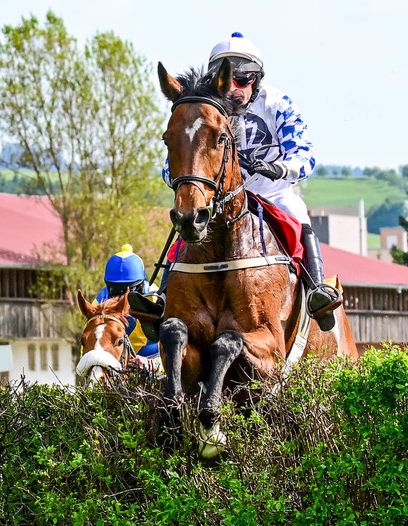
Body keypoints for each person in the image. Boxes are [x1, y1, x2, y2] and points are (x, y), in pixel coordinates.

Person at [163, 32, 341, 331]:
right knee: (187, 221)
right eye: (227, 79)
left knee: (297, 211)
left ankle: (317, 289)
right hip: (224, 198)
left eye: (243, 80)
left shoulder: (278, 103)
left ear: (256, 79)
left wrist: (278, 168)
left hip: (272, 194)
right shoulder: (205, 108)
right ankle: (162, 294)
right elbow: (177, 160)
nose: (234, 88)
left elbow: (305, 155)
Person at [95, 245, 164, 374]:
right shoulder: (99, 303)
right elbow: (87, 346)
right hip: (115, 367)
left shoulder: (157, 300)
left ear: (140, 285)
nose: (122, 299)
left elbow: (176, 350)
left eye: (129, 291)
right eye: (115, 291)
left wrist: (154, 365)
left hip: (154, 365)